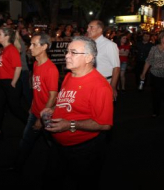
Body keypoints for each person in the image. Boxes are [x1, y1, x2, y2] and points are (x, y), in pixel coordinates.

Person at [43, 36, 113, 189]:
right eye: (67, 51)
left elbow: (105, 124)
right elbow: (67, 102)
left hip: (83, 150)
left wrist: (70, 125)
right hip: (58, 146)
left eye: (73, 52)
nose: (67, 55)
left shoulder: (100, 86)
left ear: (89, 57)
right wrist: (53, 109)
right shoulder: (69, 76)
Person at [6, 32, 59, 173]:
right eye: (31, 44)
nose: (30, 47)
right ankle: (17, 167)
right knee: (26, 140)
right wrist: (32, 106)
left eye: (34, 44)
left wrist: (42, 118)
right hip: (35, 111)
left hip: (46, 115)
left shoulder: (51, 69)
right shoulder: (36, 64)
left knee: (53, 142)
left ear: (44, 47)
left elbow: (53, 96)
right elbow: (37, 89)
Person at [0, 27, 28, 139]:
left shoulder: (12, 49)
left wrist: (13, 83)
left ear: (6, 37)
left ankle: (33, 125)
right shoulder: (2, 50)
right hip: (0, 82)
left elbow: (18, 67)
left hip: (9, 82)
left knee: (15, 108)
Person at [140, 30, 164, 117]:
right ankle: (155, 111)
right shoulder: (154, 49)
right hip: (156, 75)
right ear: (161, 39)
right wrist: (143, 73)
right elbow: (148, 61)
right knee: (156, 94)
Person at [86, 20, 120, 100]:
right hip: (89, 82)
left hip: (104, 82)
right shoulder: (88, 44)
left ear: (100, 29)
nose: (88, 30)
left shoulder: (109, 45)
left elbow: (116, 68)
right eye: (87, 27)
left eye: (91, 27)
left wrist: (112, 87)